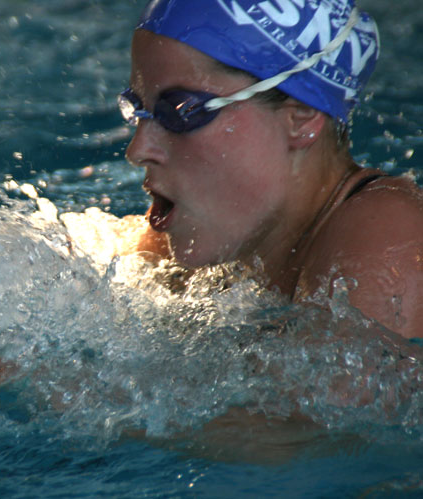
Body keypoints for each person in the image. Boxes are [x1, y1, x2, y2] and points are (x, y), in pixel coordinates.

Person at [119, 0, 423, 339]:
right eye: (137, 108)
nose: (138, 150)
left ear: (301, 117)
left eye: (182, 112)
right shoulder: (206, 233)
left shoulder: (389, 237)